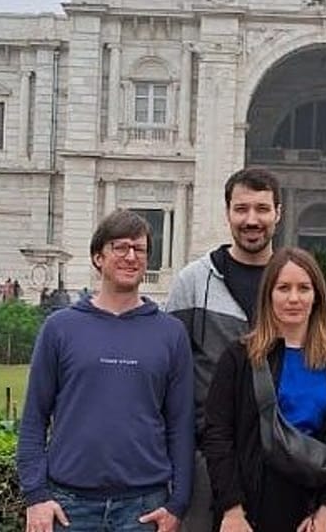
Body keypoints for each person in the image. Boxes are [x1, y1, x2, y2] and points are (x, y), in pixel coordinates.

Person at [17, 209, 194, 532]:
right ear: (98, 257)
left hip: (144, 508)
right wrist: (36, 495)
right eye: (120, 247)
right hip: (69, 507)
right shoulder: (60, 328)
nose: (131, 257)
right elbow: (33, 419)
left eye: (139, 249)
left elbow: (180, 425)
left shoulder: (171, 333)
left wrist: (177, 503)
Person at [202, 247, 326, 532]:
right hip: (249, 512)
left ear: (316, 296)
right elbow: (217, 436)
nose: (293, 298)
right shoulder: (238, 358)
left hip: (314, 513)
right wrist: (232, 508)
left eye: (303, 288)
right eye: (283, 288)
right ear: (268, 295)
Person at [165, 167, 282, 532]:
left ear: (279, 212)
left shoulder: (294, 284)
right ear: (227, 212)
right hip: (206, 463)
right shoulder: (192, 281)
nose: (251, 220)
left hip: (281, 464)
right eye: (241, 209)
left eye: (262, 209)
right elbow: (169, 377)